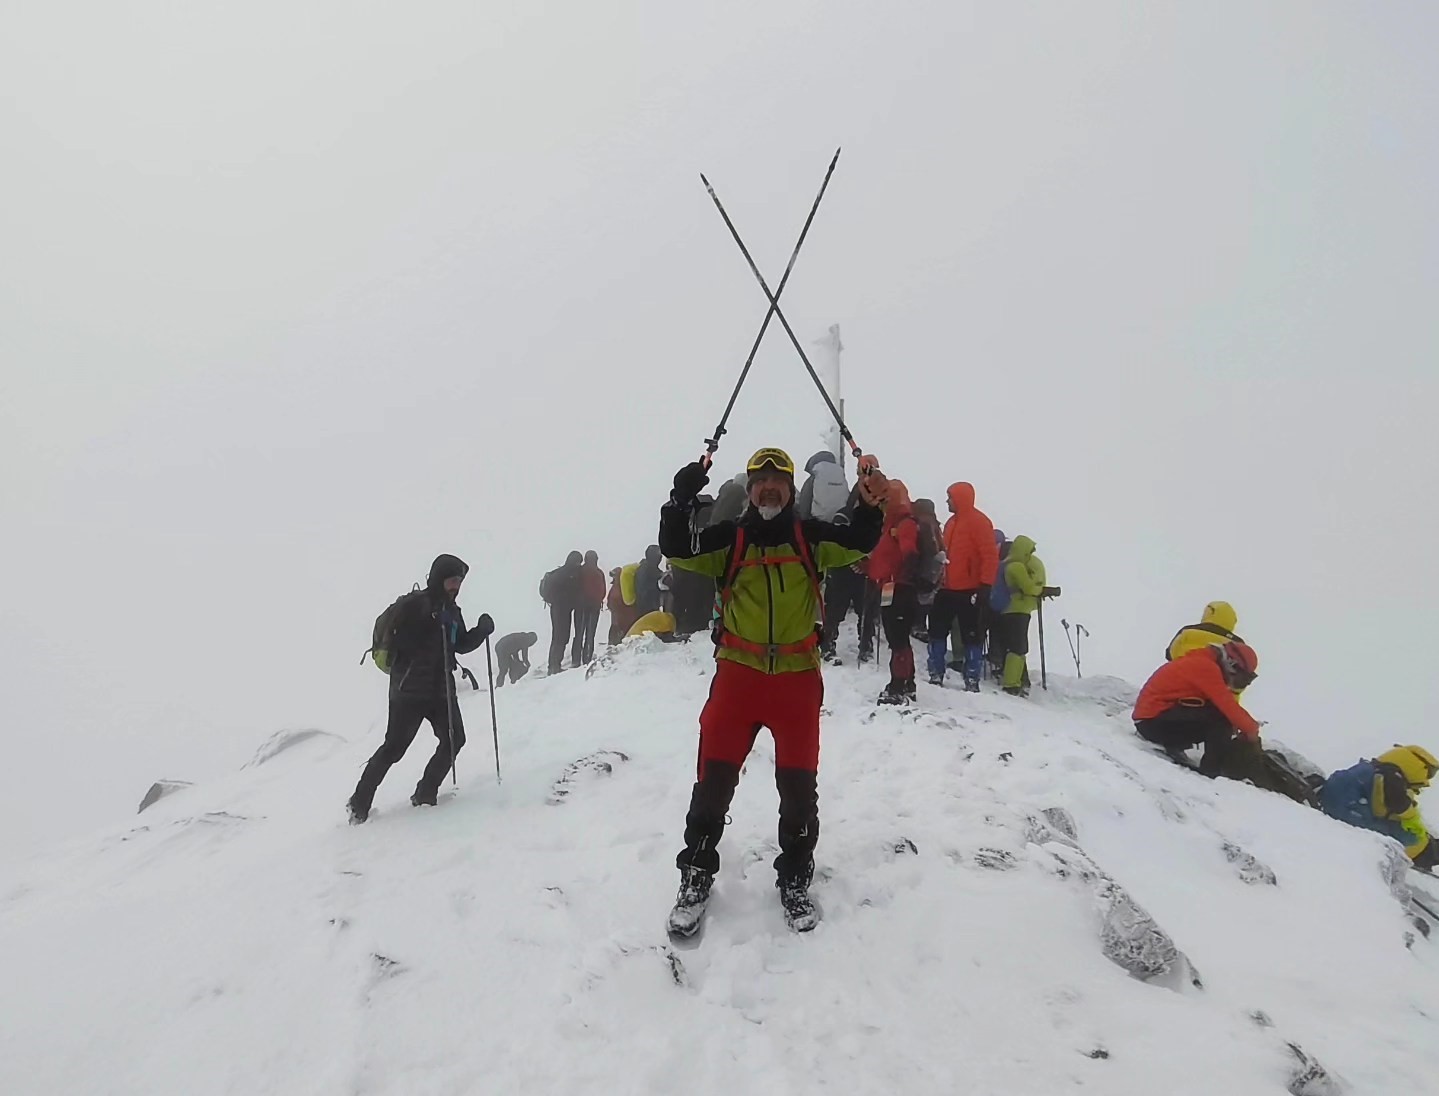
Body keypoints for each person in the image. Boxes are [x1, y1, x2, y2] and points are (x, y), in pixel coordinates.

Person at [661, 446, 886, 935]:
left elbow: (862, 540)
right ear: (749, 489)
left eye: (778, 481)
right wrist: (681, 498)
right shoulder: (731, 540)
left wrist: (870, 503)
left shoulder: (811, 539)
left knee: (799, 792)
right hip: (737, 681)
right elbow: (677, 548)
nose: (769, 487)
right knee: (712, 786)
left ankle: (795, 878)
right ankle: (696, 874)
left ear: (789, 490)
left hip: (796, 684)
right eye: (760, 480)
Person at [348, 554, 494, 822]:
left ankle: (425, 793)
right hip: (409, 690)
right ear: (439, 579)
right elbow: (401, 641)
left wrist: (481, 632)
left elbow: (458, 644)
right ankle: (359, 804)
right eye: (452, 580)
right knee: (394, 748)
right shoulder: (416, 605)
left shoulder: (452, 611)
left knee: (454, 740)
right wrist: (427, 623)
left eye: (459, 581)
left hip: (440, 690)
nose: (456, 586)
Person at [1132, 642, 1263, 779]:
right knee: (1221, 719)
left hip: (1152, 719)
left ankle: (1189, 752)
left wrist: (1240, 724)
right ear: (1231, 664)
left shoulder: (1203, 662)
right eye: (1242, 677)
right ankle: (1211, 772)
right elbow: (1226, 705)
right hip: (1152, 723)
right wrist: (1251, 729)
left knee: (1219, 715)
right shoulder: (1205, 667)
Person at [927, 483, 999, 690]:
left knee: (971, 634)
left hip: (971, 589)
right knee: (937, 630)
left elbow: (989, 555)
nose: (947, 501)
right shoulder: (951, 523)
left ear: (960, 499)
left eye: (950, 497)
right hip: (948, 587)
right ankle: (936, 673)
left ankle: (972, 677)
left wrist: (986, 585)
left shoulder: (979, 522)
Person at [1320, 746, 1439, 871]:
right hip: (1347, 812)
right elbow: (1394, 806)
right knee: (1411, 837)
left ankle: (1428, 849)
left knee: (1404, 829)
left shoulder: (1376, 768)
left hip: (1338, 803)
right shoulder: (1392, 776)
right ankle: (1424, 856)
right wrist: (1411, 817)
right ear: (1419, 767)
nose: (1427, 780)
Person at [867, 479, 921, 705]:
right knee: (898, 639)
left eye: (885, 499)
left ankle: (899, 685)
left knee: (897, 639)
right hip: (892, 587)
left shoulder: (903, 524)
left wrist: (900, 579)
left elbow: (910, 554)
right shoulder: (892, 525)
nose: (880, 503)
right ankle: (906, 682)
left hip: (897, 589)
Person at [995, 535, 1045, 695]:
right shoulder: (1016, 566)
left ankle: (1014, 681)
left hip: (1012, 609)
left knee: (1017, 645)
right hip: (1017, 609)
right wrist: (1039, 588)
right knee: (1018, 647)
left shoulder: (1008, 564)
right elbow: (1028, 588)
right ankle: (1011, 683)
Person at [540, 551, 584, 674]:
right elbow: (571, 593)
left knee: (557, 637)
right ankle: (555, 666)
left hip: (556, 609)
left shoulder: (559, 572)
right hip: (563, 610)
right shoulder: (570, 574)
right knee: (561, 637)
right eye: (578, 562)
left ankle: (553, 665)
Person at [910, 497, 945, 642]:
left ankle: (918, 626)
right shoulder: (934, 524)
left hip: (923, 565)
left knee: (920, 598)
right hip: (935, 568)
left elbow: (927, 547)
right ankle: (921, 626)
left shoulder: (922, 523)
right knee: (927, 599)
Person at [1167, 601, 1243, 662]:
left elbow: (1169, 654)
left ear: (1210, 612)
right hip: (1218, 679)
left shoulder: (1188, 630)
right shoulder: (1238, 644)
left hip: (1184, 673)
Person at [572, 550, 607, 666]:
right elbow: (603, 591)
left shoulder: (579, 571)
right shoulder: (599, 573)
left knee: (579, 634)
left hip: (580, 607)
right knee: (590, 634)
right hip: (594, 607)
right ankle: (587, 658)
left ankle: (576, 660)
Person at [796, 450, 851, 521]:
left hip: (817, 522)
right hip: (840, 519)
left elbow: (805, 499)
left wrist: (804, 520)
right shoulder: (840, 476)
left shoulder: (813, 478)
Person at [985, 528, 1010, 679]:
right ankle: (998, 660)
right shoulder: (1009, 558)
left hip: (994, 600)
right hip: (1005, 603)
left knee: (996, 631)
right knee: (1002, 633)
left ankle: (996, 659)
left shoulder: (999, 560)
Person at [606, 565, 642, 645]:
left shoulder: (617, 588)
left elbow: (611, 601)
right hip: (623, 618)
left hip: (621, 618)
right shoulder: (624, 587)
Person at [634, 544, 665, 616]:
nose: (661, 557)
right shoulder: (648, 569)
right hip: (647, 608)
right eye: (659, 555)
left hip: (645, 607)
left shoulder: (645, 567)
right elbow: (646, 589)